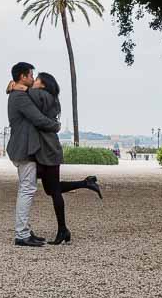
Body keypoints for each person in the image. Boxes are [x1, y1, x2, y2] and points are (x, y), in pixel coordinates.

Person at [8, 71, 102, 245]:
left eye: (36, 80)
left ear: (42, 84)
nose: (33, 81)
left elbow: (27, 102)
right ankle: (85, 184)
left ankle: (63, 229)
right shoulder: (52, 98)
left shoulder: (37, 94)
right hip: (48, 147)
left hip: (47, 148)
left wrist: (15, 86)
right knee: (51, 189)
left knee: (53, 190)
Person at [6, 62, 61, 247]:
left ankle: (25, 230)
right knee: (27, 190)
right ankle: (21, 234)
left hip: (25, 147)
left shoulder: (19, 93)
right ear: (23, 76)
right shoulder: (20, 97)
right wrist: (56, 126)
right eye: (31, 75)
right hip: (24, 148)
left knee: (27, 188)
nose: (32, 78)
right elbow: (37, 119)